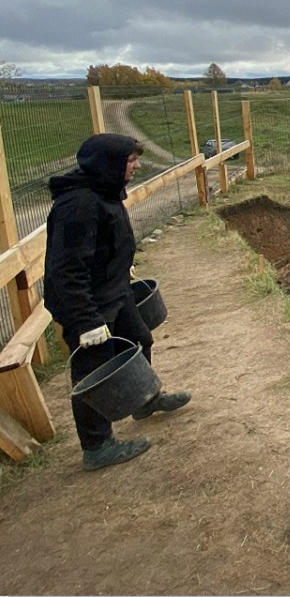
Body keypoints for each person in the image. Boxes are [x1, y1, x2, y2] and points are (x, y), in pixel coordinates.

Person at [43, 133, 192, 471]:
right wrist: (86, 322)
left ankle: (144, 400)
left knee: (140, 340)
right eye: (130, 161)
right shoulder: (78, 205)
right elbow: (65, 270)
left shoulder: (104, 192)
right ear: (109, 164)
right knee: (93, 371)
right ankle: (97, 446)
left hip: (114, 291)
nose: (136, 166)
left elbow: (102, 244)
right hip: (88, 305)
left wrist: (121, 265)